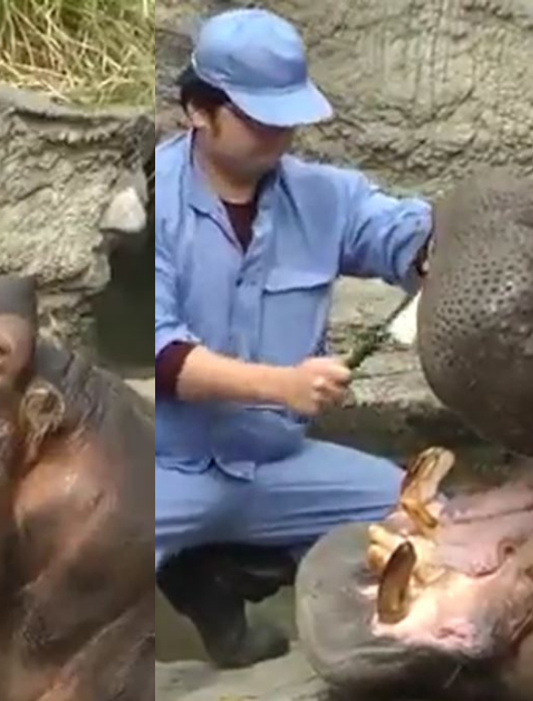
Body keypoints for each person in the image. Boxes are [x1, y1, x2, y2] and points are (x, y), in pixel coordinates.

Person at [154, 8, 435, 668]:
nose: (278, 133)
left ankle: (230, 575)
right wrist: (283, 385)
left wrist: (441, 243)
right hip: (166, 470)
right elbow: (163, 354)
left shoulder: (322, 197)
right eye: (258, 117)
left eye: (287, 117)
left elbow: (399, 233)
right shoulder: (153, 197)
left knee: (420, 514)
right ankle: (196, 572)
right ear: (200, 108)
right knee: (73, 565)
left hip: (274, 468)